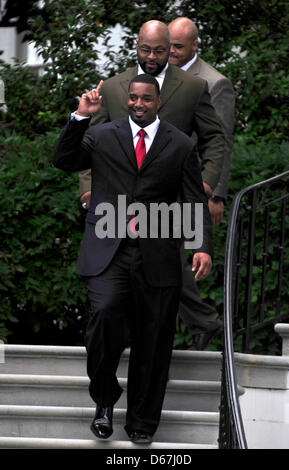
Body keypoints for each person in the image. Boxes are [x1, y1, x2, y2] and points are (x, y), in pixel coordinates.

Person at [53, 74, 213, 443]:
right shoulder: (103, 134)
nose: (139, 104)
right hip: (109, 249)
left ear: (158, 102)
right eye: (134, 98)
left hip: (158, 253)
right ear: (128, 100)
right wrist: (80, 117)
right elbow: (64, 159)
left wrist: (201, 244)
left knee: (154, 340)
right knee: (106, 315)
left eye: (146, 99)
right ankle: (105, 401)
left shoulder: (180, 144)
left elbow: (193, 199)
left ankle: (142, 423)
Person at [78, 20, 225, 351]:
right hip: (117, 201)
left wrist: (205, 182)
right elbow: (91, 139)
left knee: (163, 270)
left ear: (170, 47)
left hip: (168, 199)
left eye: (160, 50)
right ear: (136, 46)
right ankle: (197, 322)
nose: (152, 56)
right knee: (120, 274)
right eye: (146, 49)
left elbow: (215, 137)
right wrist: (87, 184)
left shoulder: (192, 87)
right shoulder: (115, 87)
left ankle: (171, 340)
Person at [168, 17, 235, 350]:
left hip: (192, 187)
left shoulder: (213, 82)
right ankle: (201, 320)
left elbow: (220, 141)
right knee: (163, 256)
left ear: (196, 45)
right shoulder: (157, 73)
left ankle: (202, 320)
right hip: (157, 184)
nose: (172, 52)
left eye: (178, 46)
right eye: (169, 45)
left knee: (167, 256)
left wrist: (215, 193)